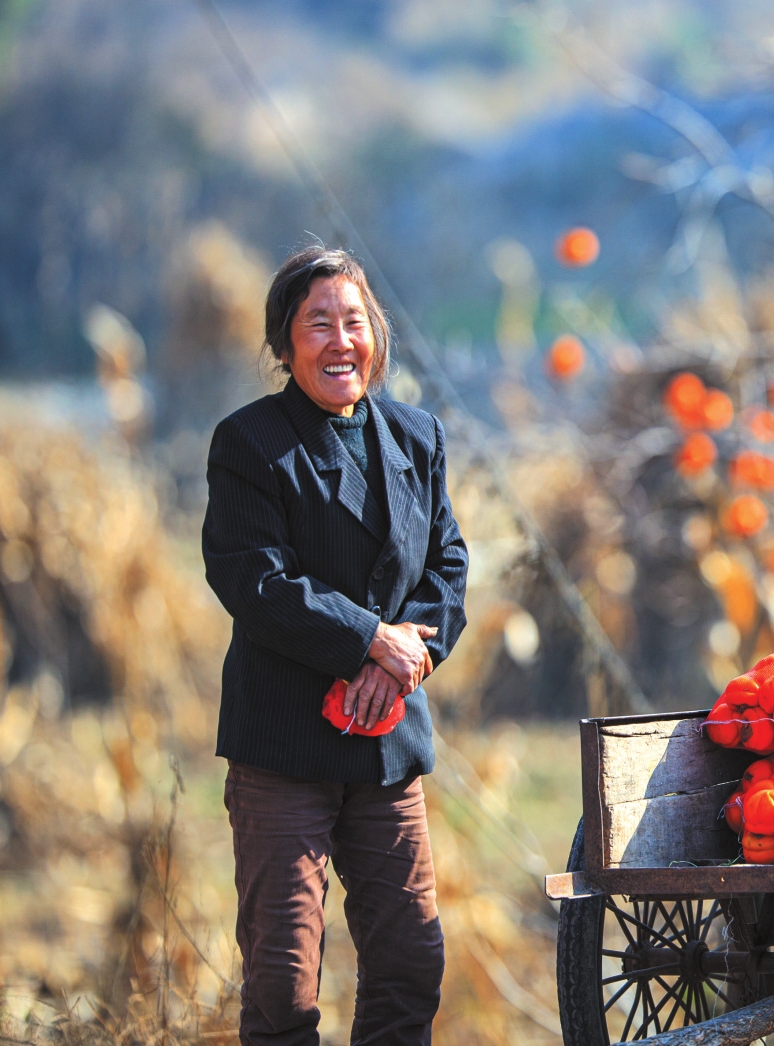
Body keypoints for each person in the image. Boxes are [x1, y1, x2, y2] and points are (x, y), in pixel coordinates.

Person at [202, 246, 468, 1046]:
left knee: (409, 964)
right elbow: (253, 578)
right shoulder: (250, 443)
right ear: (284, 344)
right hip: (285, 747)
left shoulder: (416, 437)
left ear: (375, 335)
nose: (340, 341)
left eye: (354, 321)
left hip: (385, 745)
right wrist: (369, 640)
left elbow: (447, 566)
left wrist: (407, 660)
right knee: (283, 986)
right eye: (317, 323)